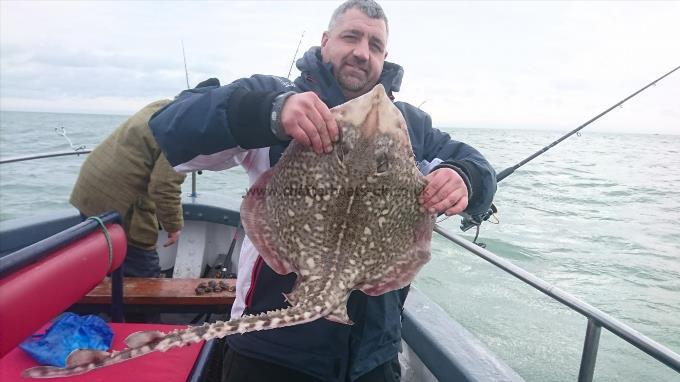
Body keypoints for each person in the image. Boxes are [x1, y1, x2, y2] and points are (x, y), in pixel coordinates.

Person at [150, 1, 497, 380]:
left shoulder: (409, 124)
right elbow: (171, 130)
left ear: (384, 57)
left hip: (373, 358)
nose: (362, 52)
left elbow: (477, 169)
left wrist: (462, 177)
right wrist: (269, 112)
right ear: (325, 40)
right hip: (271, 350)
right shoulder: (275, 94)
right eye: (351, 36)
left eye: (376, 45)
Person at [70, 99, 187, 278]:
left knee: (102, 257)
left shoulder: (161, 107)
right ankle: (140, 305)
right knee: (142, 268)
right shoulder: (185, 128)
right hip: (120, 201)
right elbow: (164, 186)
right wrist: (174, 226)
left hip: (90, 189)